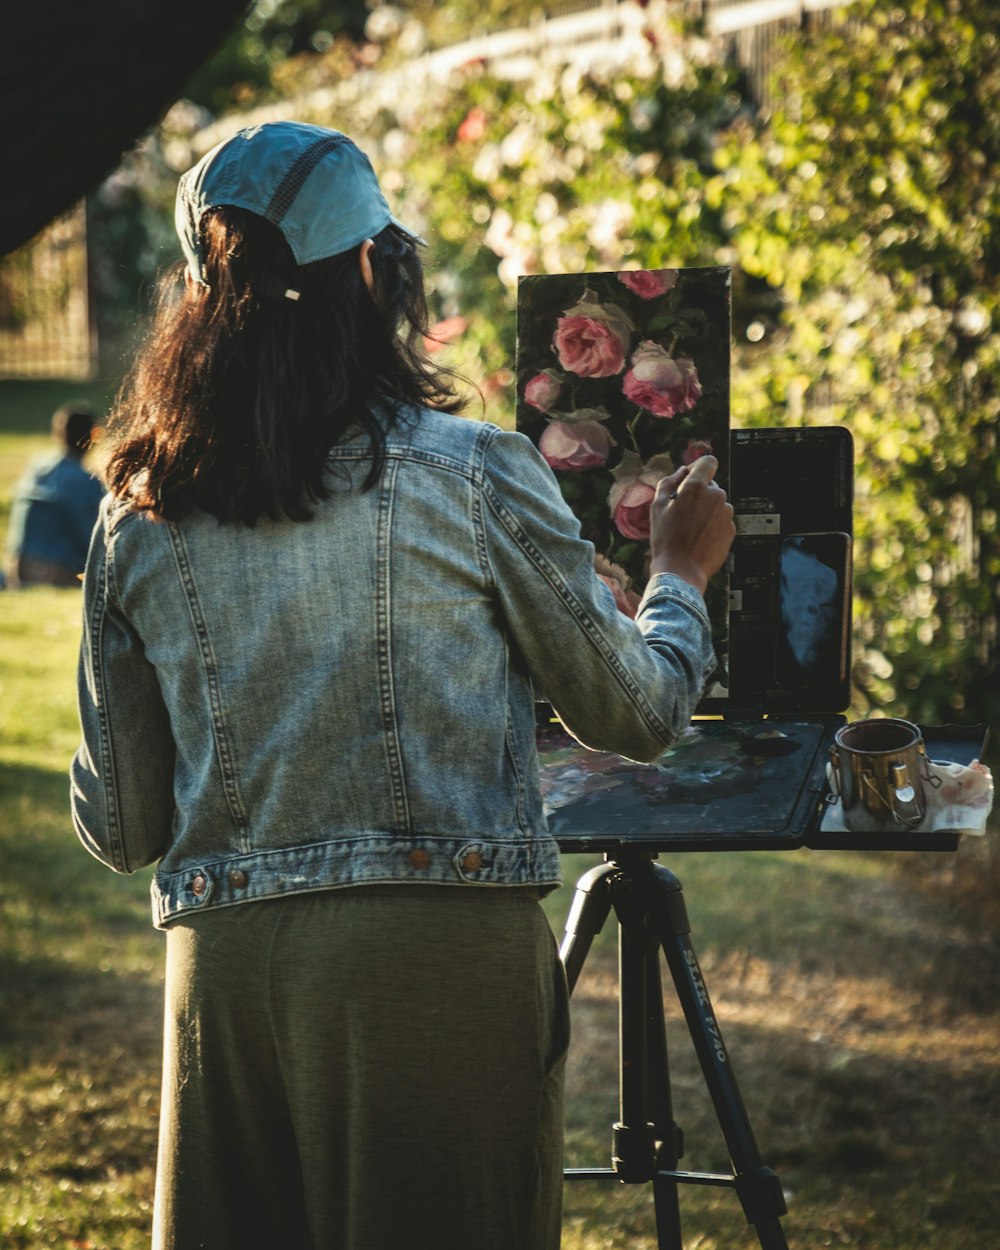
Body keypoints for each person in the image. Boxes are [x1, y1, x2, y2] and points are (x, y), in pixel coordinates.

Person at [70, 121, 735, 1250]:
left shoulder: (137, 508)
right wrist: (677, 573)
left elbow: (120, 824)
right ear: (375, 271)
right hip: (436, 967)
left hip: (223, 978)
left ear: (198, 295)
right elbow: (636, 711)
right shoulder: (470, 471)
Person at [4, 402, 104, 587]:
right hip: (55, 568)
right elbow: (93, 538)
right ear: (93, 436)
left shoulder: (38, 469)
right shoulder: (84, 480)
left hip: (17, 565)